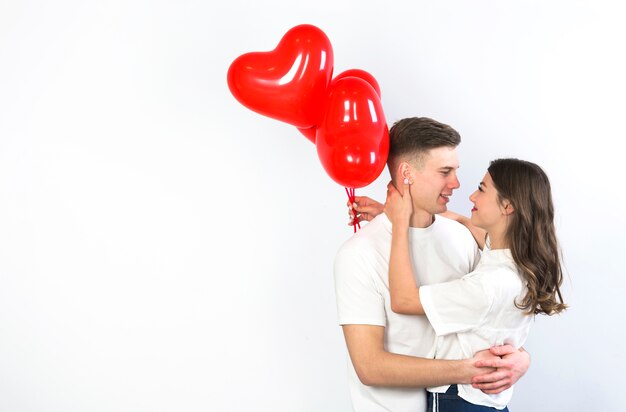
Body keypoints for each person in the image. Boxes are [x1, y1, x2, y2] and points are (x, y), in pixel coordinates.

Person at [334, 117, 531, 412]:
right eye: (444, 172)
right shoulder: (358, 254)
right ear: (407, 173)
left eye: (456, 171)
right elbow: (370, 367)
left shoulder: (462, 239)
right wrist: (471, 370)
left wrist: (521, 358)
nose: (457, 184)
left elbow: (487, 316)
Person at [385, 158, 567, 411]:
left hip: (459, 400)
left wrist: (400, 224)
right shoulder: (519, 262)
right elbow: (464, 222)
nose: (471, 197)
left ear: (507, 206)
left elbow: (403, 300)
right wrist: (398, 212)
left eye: (481, 189)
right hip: (487, 403)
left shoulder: (489, 284)